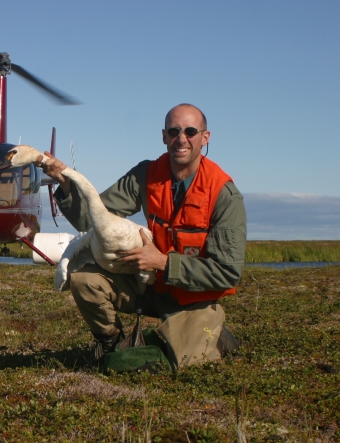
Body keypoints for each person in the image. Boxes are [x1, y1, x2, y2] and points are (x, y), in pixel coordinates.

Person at [42, 104, 247, 368]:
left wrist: (163, 263)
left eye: (190, 131)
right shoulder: (145, 175)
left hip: (194, 297)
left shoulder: (224, 195)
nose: (181, 139)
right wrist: (66, 183)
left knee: (181, 361)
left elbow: (228, 272)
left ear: (204, 138)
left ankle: (214, 337)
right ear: (164, 136)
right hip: (150, 286)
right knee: (84, 279)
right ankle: (110, 344)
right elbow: (92, 219)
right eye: (174, 131)